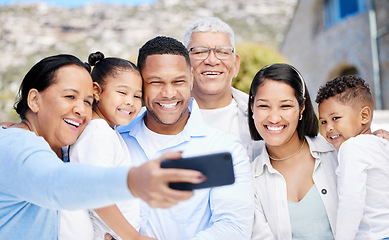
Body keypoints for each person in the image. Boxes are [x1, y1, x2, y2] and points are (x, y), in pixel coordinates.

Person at [0, 54, 206, 239]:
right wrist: (133, 181)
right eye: (70, 96)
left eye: (88, 102)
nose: (81, 109)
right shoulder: (19, 145)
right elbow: (56, 183)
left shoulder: (50, 148)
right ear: (35, 100)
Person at [118, 36, 254, 240]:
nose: (169, 93)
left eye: (178, 81)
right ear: (140, 82)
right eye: (156, 82)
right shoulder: (116, 138)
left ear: (191, 77)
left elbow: (233, 228)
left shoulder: (222, 149)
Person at [60, 52, 153, 240]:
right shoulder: (98, 133)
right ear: (96, 91)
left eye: (137, 96)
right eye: (122, 92)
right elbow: (96, 194)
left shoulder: (105, 131)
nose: (130, 101)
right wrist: (134, 237)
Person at [249, 63, 338, 239]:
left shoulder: (336, 154)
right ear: (252, 106)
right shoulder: (250, 181)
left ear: (302, 107)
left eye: (285, 106)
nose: (274, 118)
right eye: (264, 106)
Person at [316, 75, 389, 240]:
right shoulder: (381, 143)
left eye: (335, 118)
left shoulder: (352, 148)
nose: (329, 128)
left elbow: (351, 200)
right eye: (324, 122)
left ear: (364, 116)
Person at [183, 17, 263, 162]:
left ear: (236, 64)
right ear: (183, 63)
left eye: (222, 52)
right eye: (200, 52)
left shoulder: (261, 114)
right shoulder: (164, 115)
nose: (212, 61)